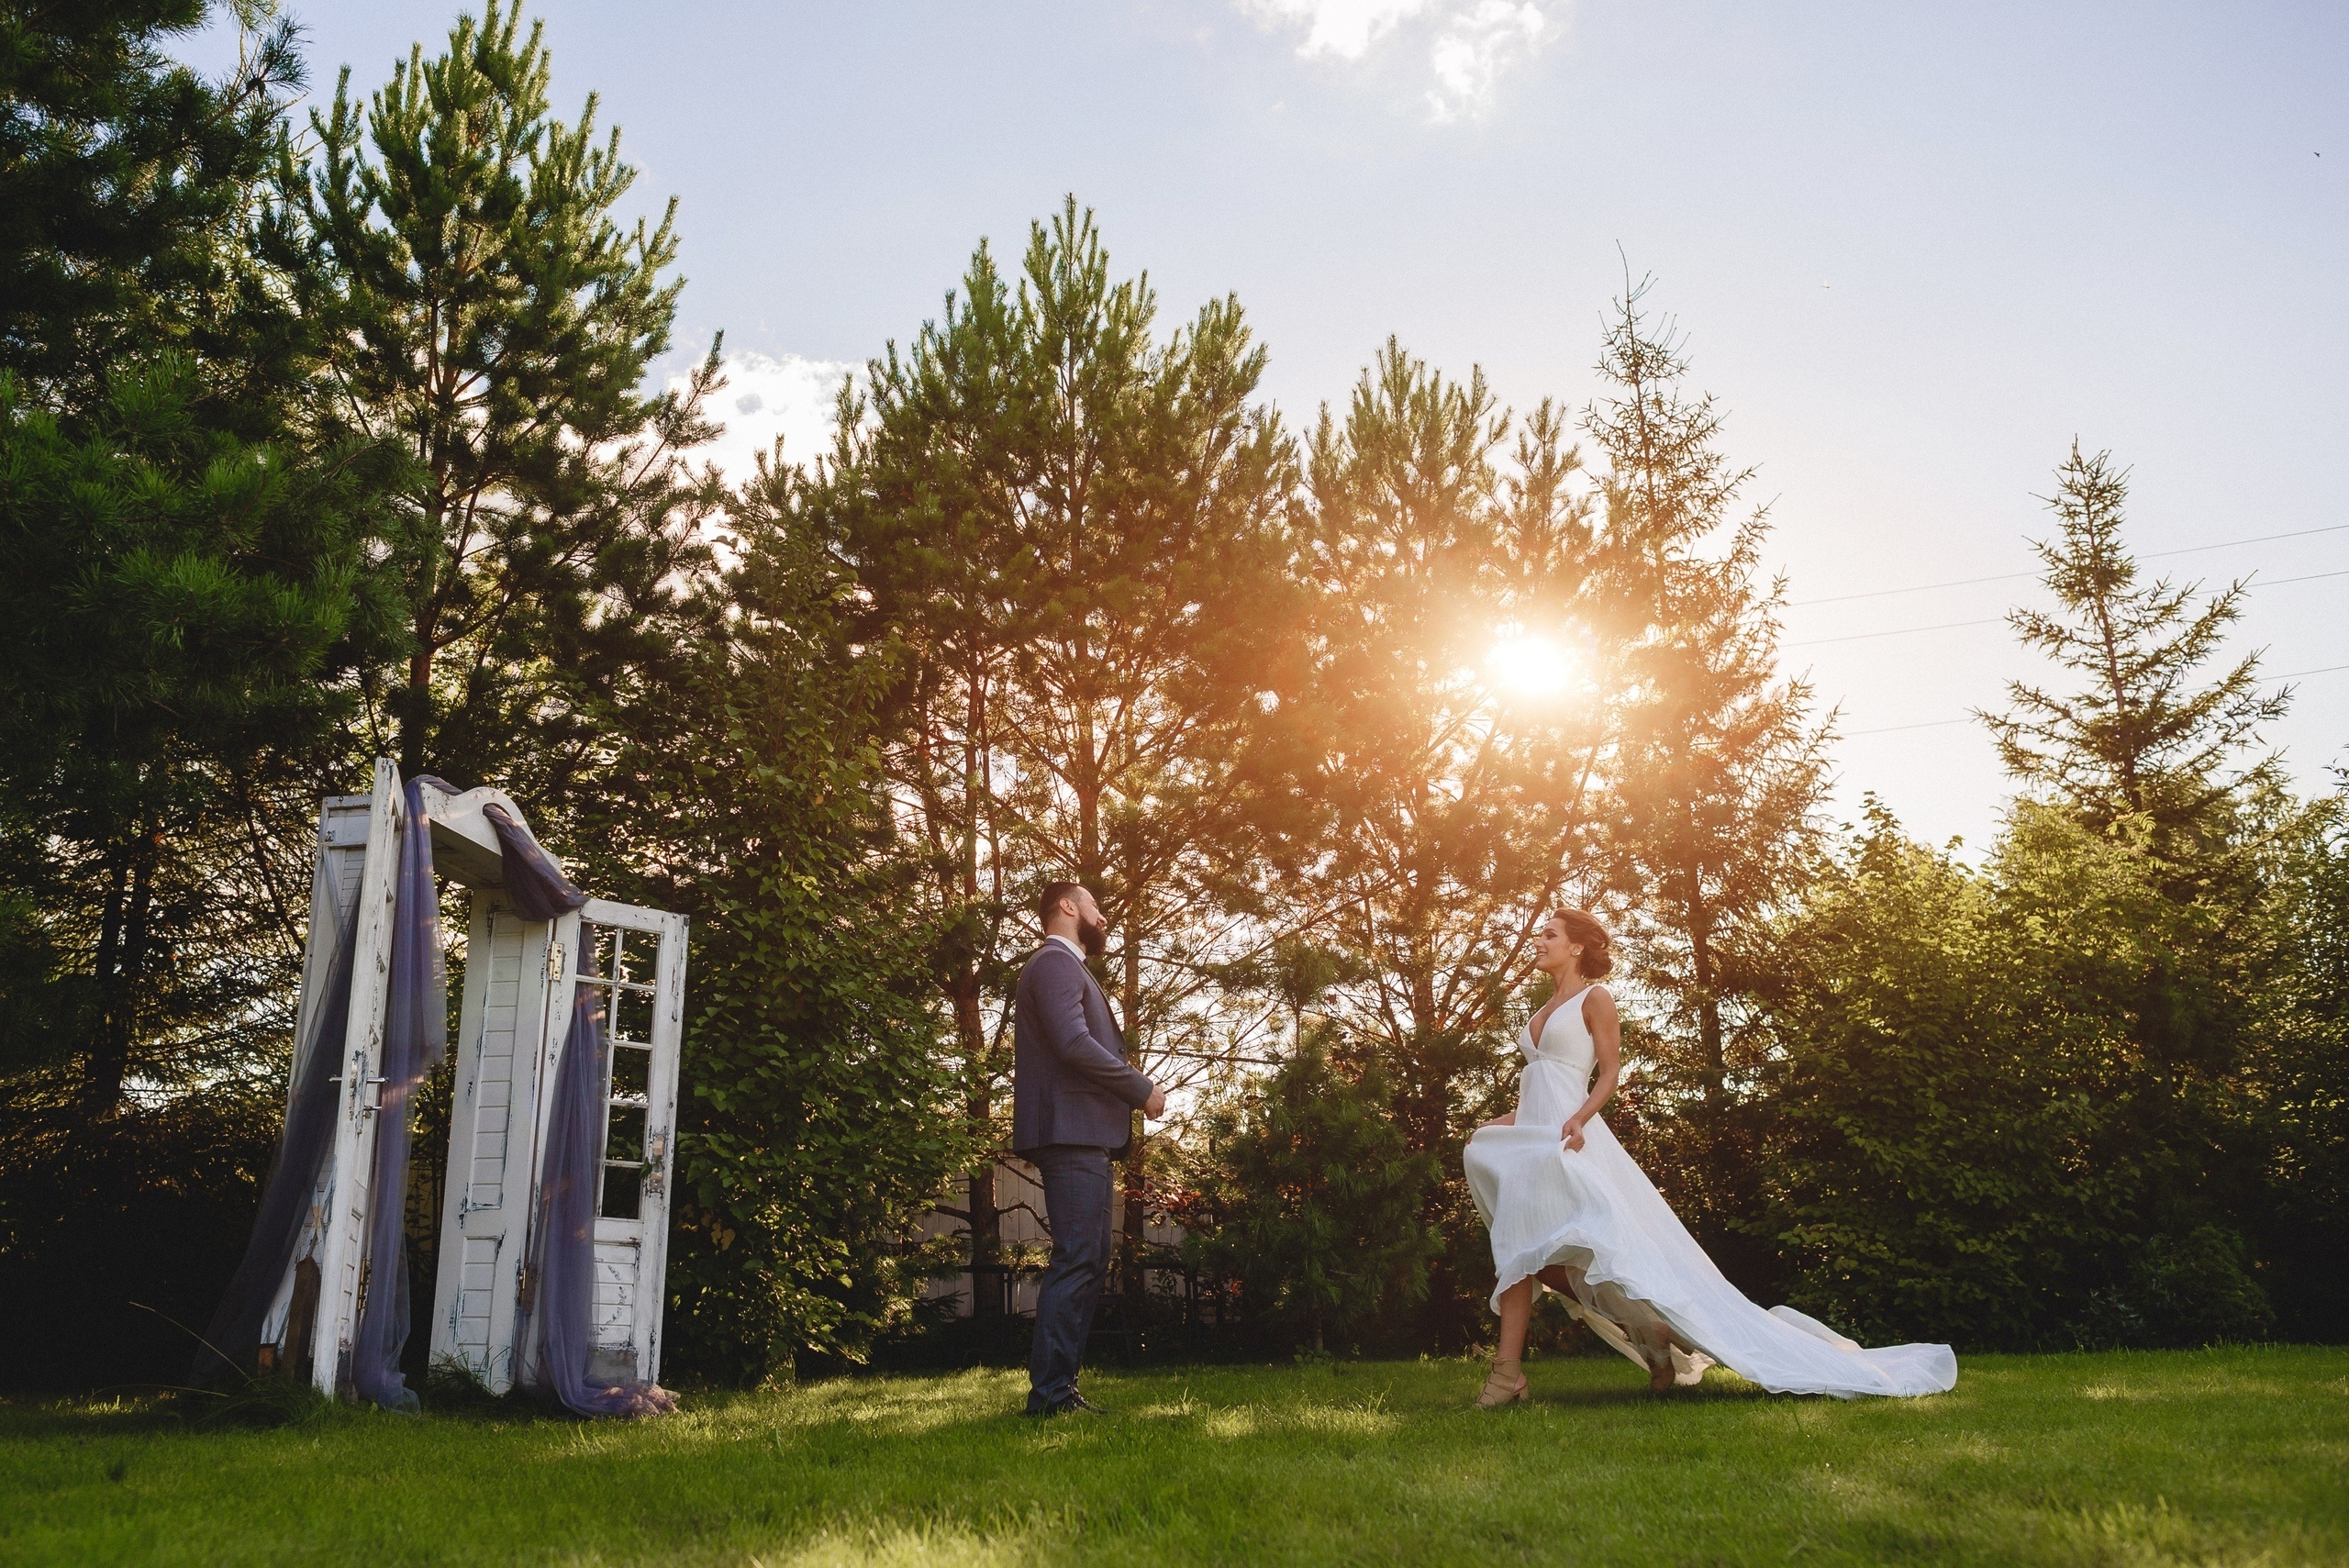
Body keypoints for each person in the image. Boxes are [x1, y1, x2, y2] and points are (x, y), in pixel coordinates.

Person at [1463, 907, 1957, 1405]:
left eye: (1550, 934)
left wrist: (1581, 1117)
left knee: (1584, 1252)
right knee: (1534, 1256)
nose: (1539, 941)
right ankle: (1630, 1333)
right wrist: (1491, 1129)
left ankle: (1513, 1373)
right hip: (1540, 1139)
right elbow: (1538, 1094)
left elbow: (1608, 1074)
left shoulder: (1596, 999)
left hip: (1574, 1142)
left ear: (1575, 947)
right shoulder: (1539, 1013)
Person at [1011, 881, 1167, 1417]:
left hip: (1083, 1134)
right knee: (1078, 1259)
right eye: (1096, 907)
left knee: (1089, 1259)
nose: (1103, 918)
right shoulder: (1054, 964)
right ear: (1067, 907)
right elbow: (1073, 1043)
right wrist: (1139, 1088)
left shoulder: (1066, 968)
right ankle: (1051, 1397)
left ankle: (1060, 1391)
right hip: (1071, 1132)